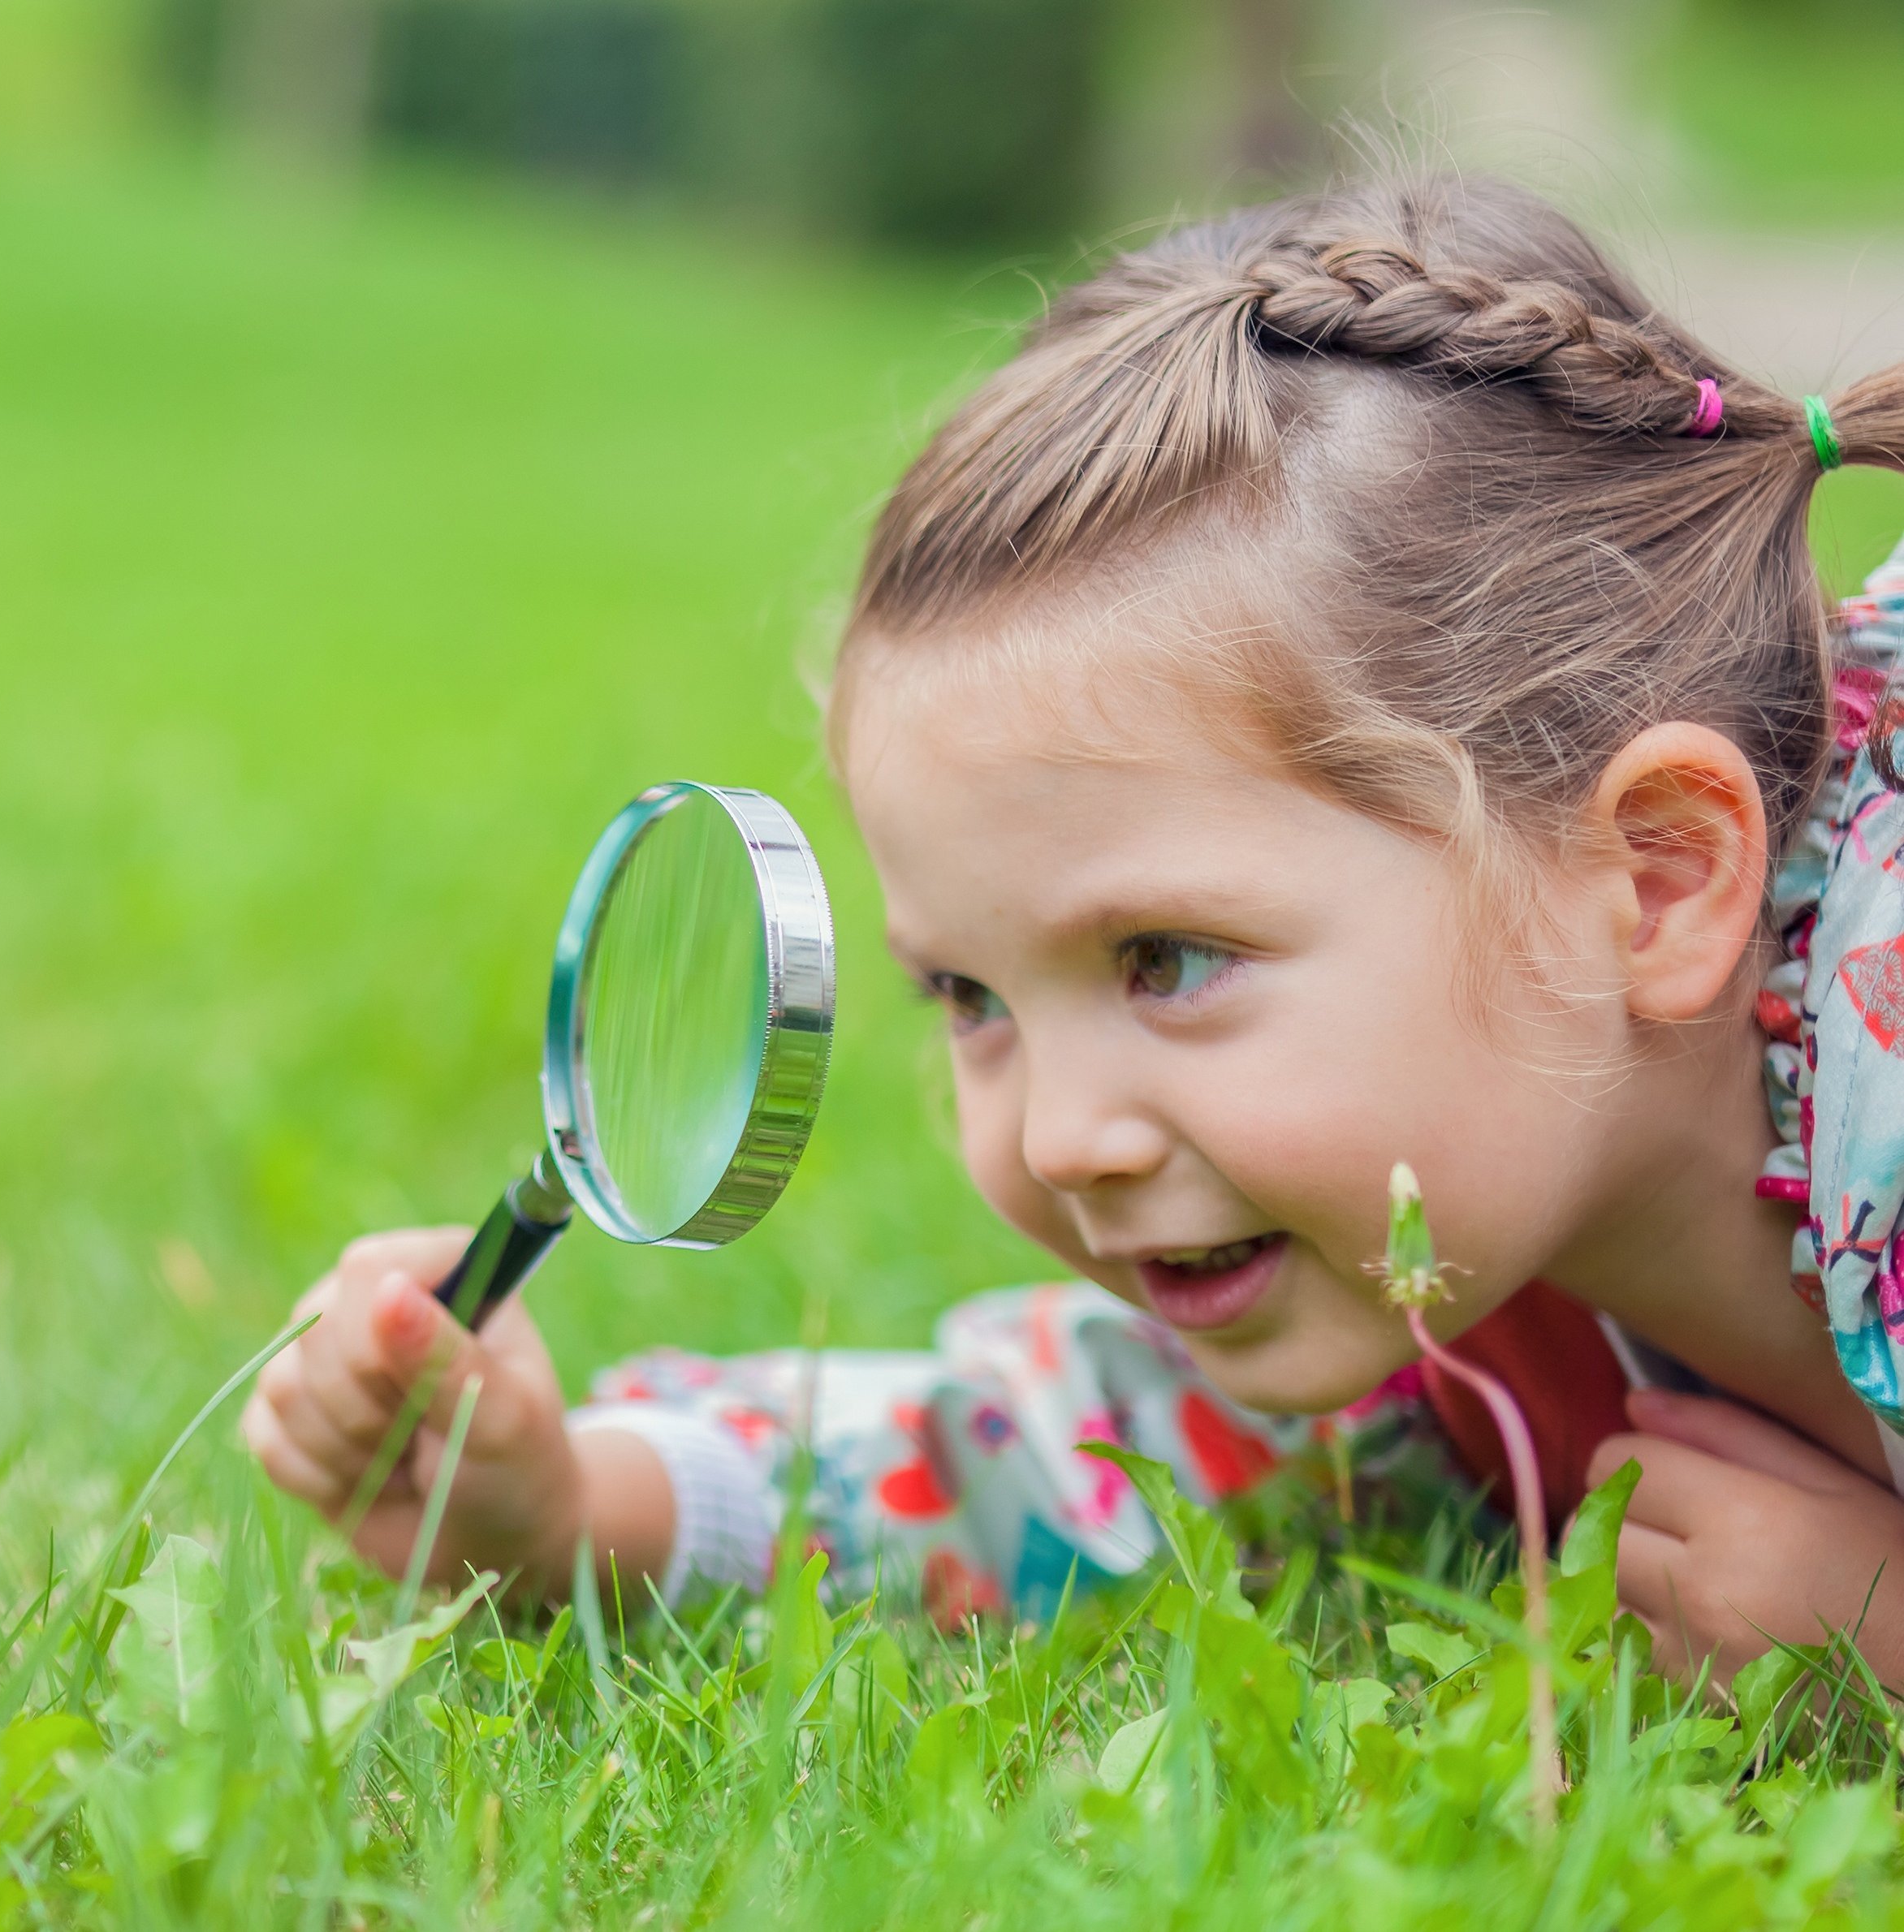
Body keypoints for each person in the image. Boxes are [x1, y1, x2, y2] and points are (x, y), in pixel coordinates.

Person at [240, 175, 1904, 1686]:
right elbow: (1079, 1448)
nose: (1055, 1134)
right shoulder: (1444, 1245)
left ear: (1657, 882)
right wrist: (568, 1503)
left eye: (1167, 960)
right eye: (968, 995)